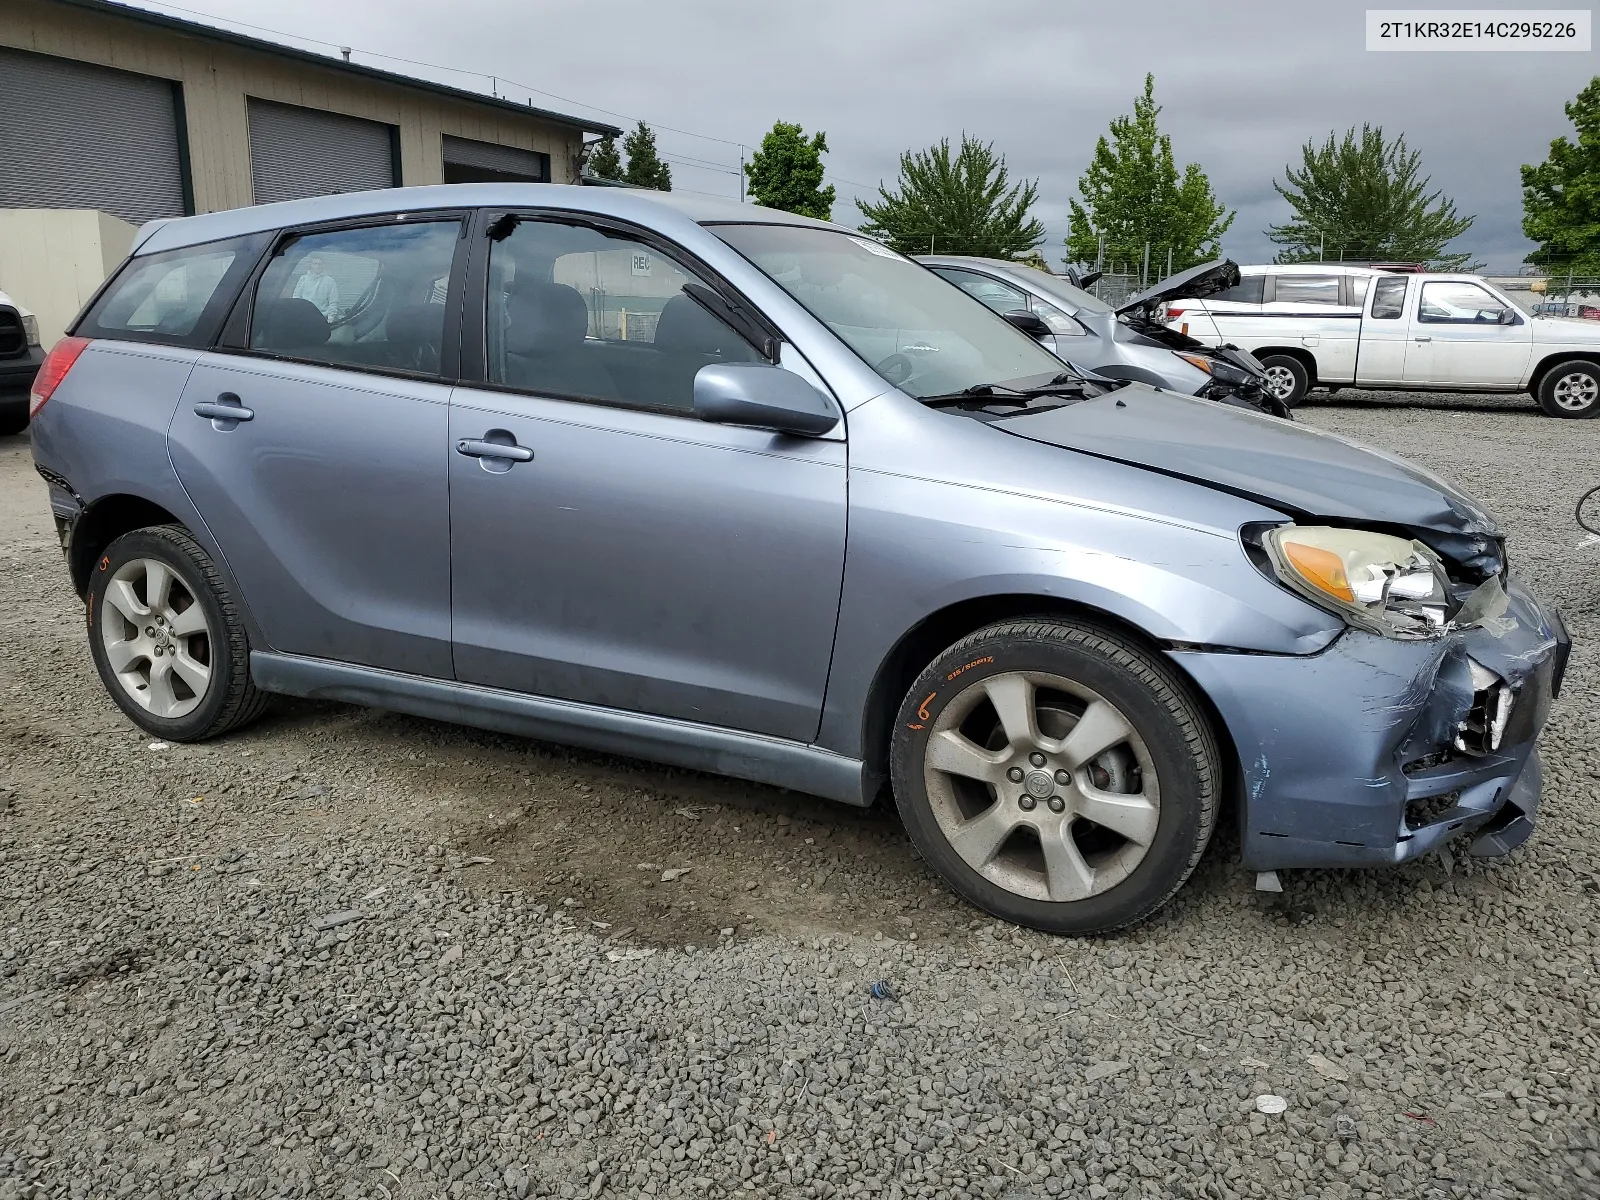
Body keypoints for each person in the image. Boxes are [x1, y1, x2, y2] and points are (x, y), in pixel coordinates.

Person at [292, 255, 339, 320]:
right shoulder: (303, 279)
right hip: (304, 316)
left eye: (320, 264)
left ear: (323, 265)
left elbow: (333, 302)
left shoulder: (330, 281)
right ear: (310, 265)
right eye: (315, 264)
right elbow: (296, 297)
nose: (317, 266)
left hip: (322, 318)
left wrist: (331, 317)